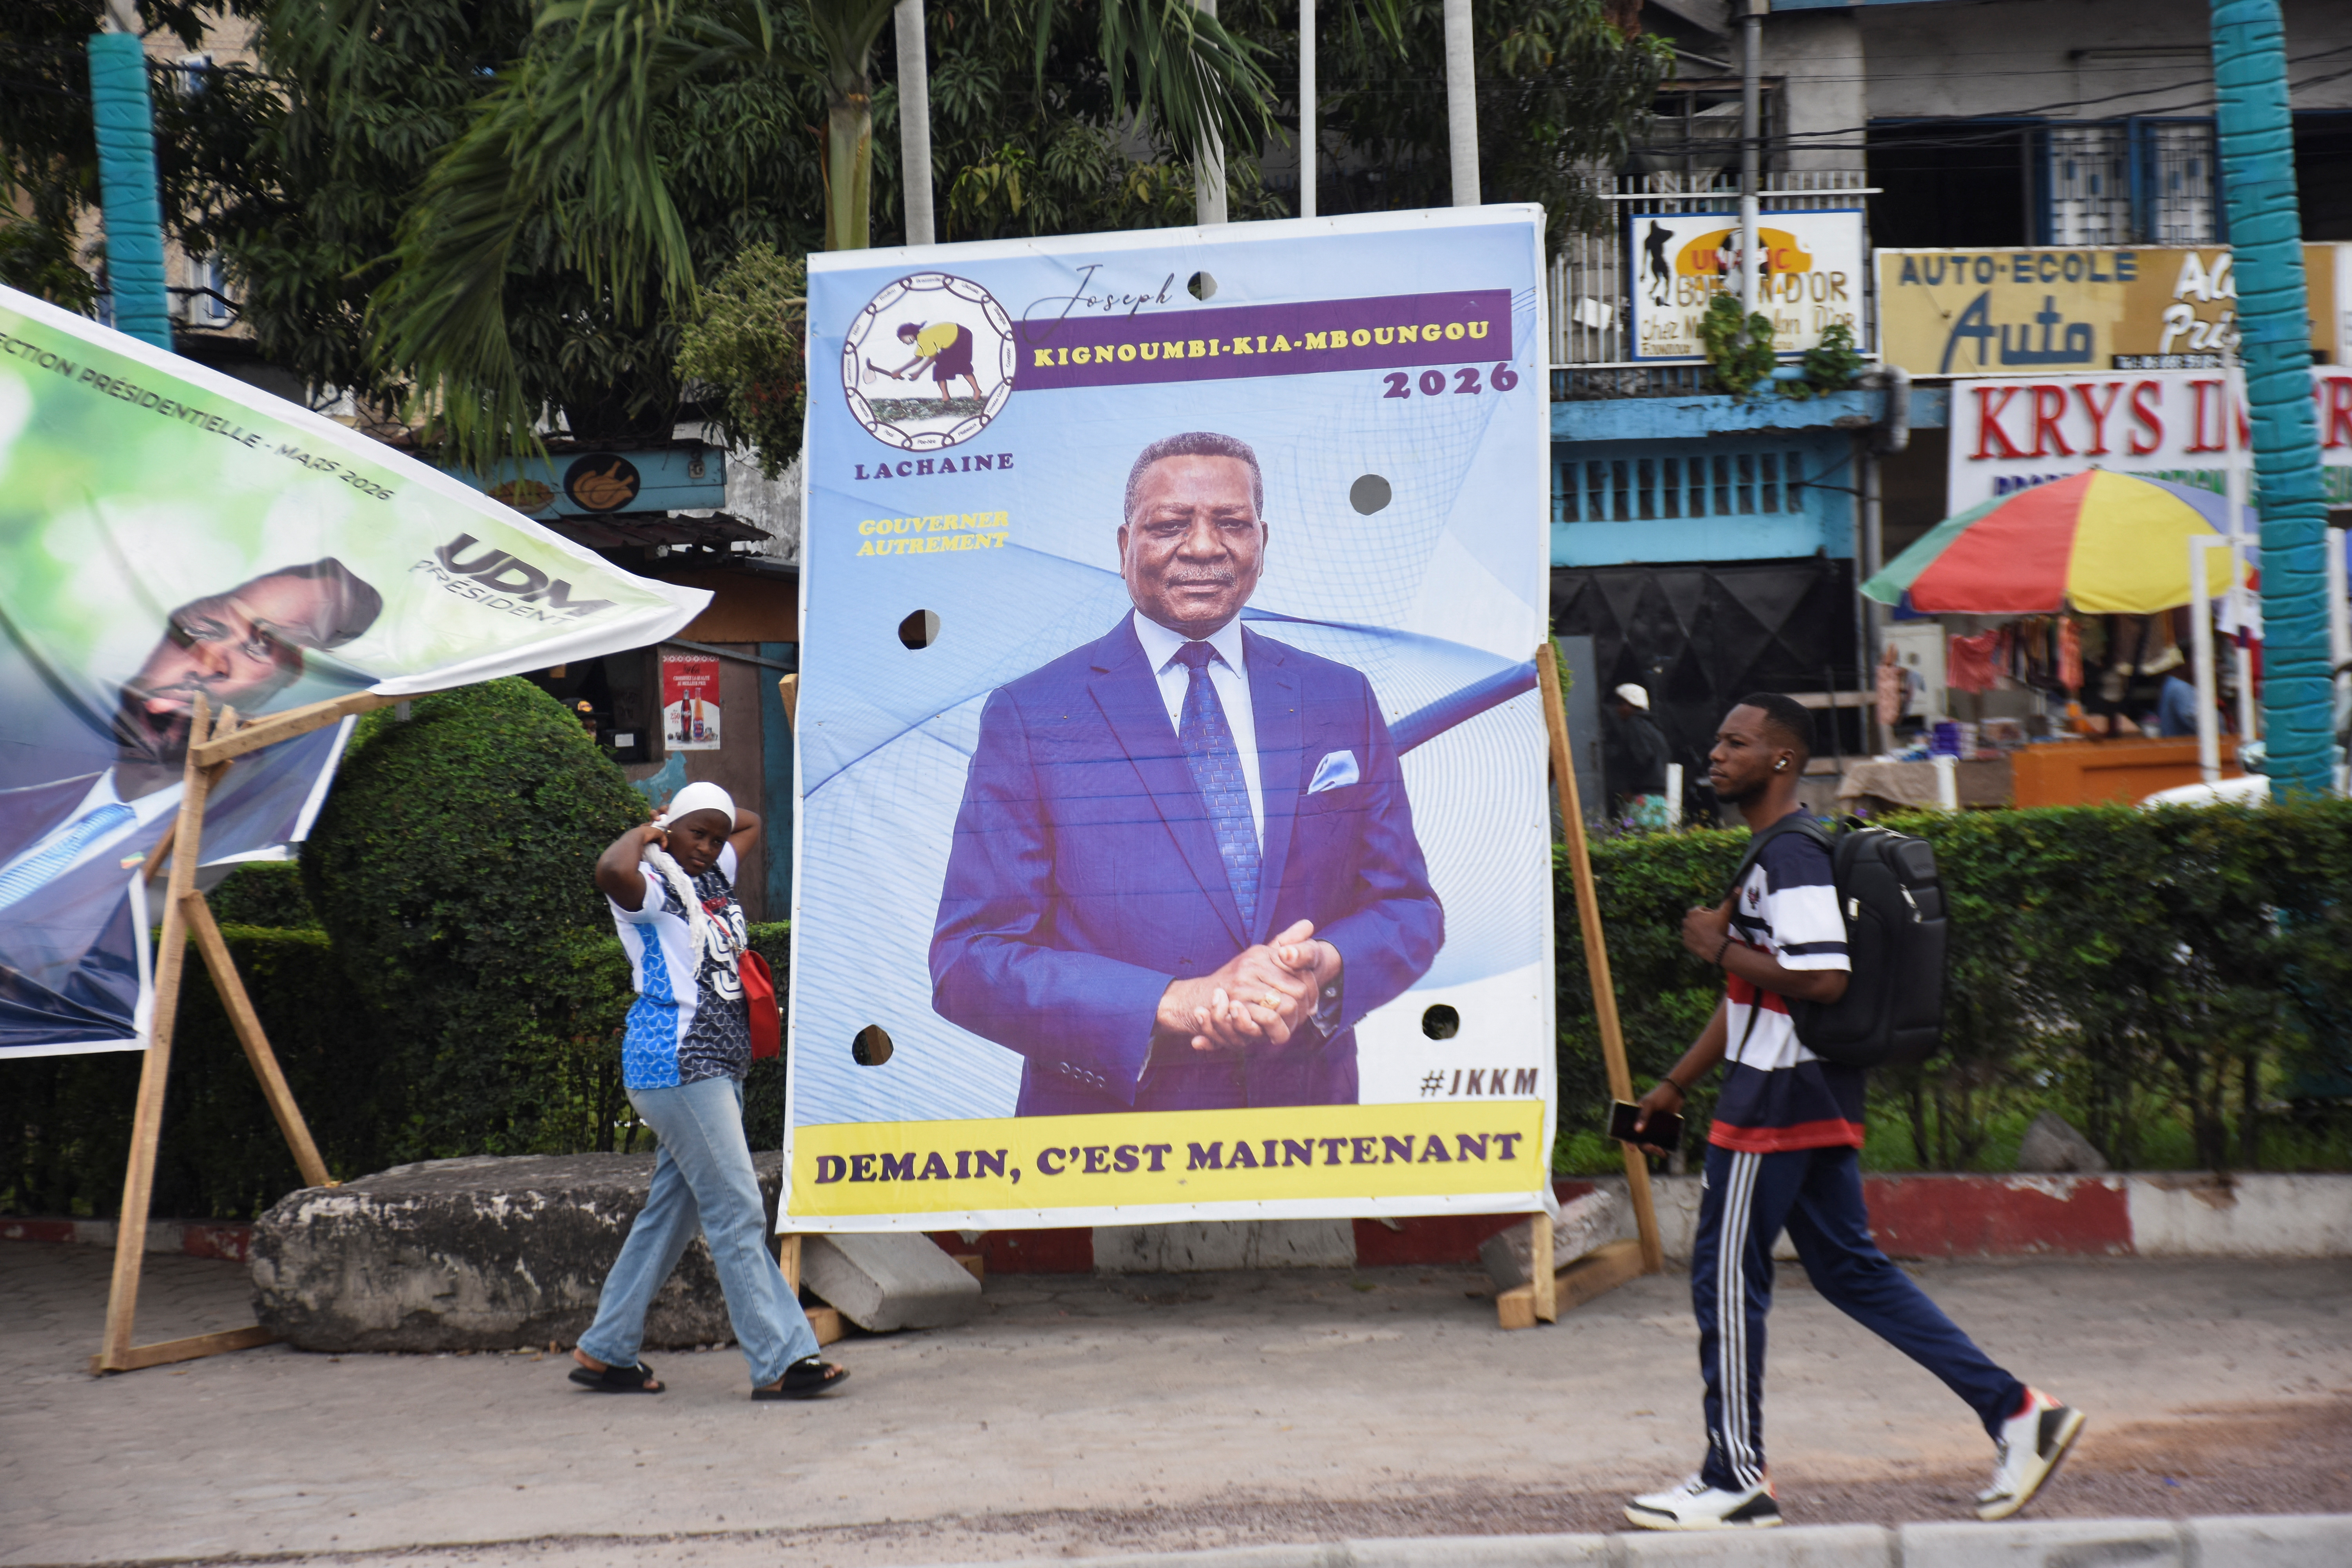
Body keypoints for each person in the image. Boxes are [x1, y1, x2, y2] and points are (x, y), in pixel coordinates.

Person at [1623, 693, 2083, 1532]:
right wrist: (1676, 1083)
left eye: (1738, 742)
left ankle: (1734, 1475)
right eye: (1718, 738)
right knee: (1850, 1270)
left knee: (1724, 1275)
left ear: (1784, 761)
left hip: (1774, 1101)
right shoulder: (1776, 850)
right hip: (1811, 1091)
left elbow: (1822, 975)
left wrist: (1716, 943)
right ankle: (2021, 1413)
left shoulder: (1790, 854)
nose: (1717, 752)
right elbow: (1754, 989)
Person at [930, 431, 1445, 1115]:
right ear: (1125, 546)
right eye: (1171, 525)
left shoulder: (1338, 699)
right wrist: (1175, 1002)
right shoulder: (1032, 716)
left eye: (1231, 524)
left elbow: (1407, 911)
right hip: (1104, 1144)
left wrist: (1323, 968)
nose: (1203, 547)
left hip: (1309, 1132)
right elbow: (969, 962)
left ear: (1263, 541)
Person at [1, 561, 382, 1044]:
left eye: (259, 646)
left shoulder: (239, 832)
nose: (210, 659)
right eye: (202, 628)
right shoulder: (20, 800)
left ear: (294, 679)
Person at [573, 782, 848, 1401]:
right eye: (698, 834)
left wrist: (700, 818)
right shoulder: (652, 883)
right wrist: (650, 831)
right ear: (671, 829)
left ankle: (606, 1349)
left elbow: (744, 820)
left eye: (715, 839)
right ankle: (781, 1359)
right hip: (678, 1063)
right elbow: (608, 869)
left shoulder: (712, 873)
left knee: (672, 1214)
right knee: (736, 1208)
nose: (710, 846)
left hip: (716, 1065)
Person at [1601, 683, 1673, 831]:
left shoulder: (1634, 725)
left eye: (1622, 704)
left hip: (1644, 797)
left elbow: (1642, 758)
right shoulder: (1653, 728)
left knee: (1641, 838)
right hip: (1659, 797)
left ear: (1633, 705)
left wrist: (1629, 787)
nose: (1618, 709)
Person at [890, 319, 983, 401]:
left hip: (961, 336)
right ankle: (946, 397)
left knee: (962, 365)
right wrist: (900, 371)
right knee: (940, 368)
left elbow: (932, 357)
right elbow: (919, 357)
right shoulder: (922, 338)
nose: (904, 342)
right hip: (953, 340)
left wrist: (918, 373)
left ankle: (977, 391)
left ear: (910, 335)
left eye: (903, 339)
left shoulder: (924, 338)